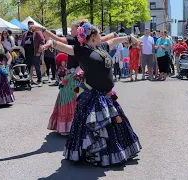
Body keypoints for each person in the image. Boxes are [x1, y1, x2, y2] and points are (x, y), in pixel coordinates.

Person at [40, 22, 142, 166]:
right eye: (99, 34)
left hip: (107, 95)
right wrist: (50, 43)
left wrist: (130, 38)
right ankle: (94, 155)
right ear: (93, 36)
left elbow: (115, 40)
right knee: (93, 128)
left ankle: (114, 152)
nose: (102, 36)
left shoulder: (102, 47)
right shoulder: (81, 51)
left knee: (113, 125)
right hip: (92, 95)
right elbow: (61, 46)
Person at [21, 21, 45, 86]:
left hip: (35, 53)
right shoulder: (25, 33)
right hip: (27, 54)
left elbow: (42, 42)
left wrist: (39, 51)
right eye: (29, 25)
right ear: (28, 26)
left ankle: (40, 80)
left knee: (37, 67)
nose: (30, 26)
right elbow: (22, 43)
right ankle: (28, 81)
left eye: (32, 25)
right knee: (27, 67)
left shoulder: (37, 32)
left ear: (34, 26)